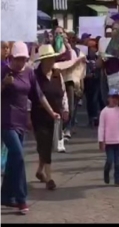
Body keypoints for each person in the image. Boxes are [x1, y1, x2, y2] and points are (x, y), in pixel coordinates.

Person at [1, 41, 60, 214]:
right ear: (11, 58)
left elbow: (39, 95)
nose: (20, 63)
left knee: (14, 159)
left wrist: (52, 113)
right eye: (17, 59)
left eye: (24, 59)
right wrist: (4, 83)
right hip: (5, 121)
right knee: (18, 155)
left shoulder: (28, 72)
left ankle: (5, 196)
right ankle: (21, 199)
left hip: (21, 122)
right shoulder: (3, 71)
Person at [31, 45, 69, 190]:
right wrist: (28, 116)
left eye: (52, 58)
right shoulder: (35, 76)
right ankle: (49, 178)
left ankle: (40, 171)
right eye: (47, 59)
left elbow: (63, 92)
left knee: (48, 146)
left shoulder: (57, 74)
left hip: (56, 117)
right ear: (42, 60)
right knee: (44, 144)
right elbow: (31, 98)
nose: (50, 61)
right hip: (39, 116)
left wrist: (65, 109)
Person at [1, 41, 10, 175]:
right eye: (3, 47)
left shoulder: (8, 65)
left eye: (8, 47)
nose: (6, 50)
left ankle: (3, 164)